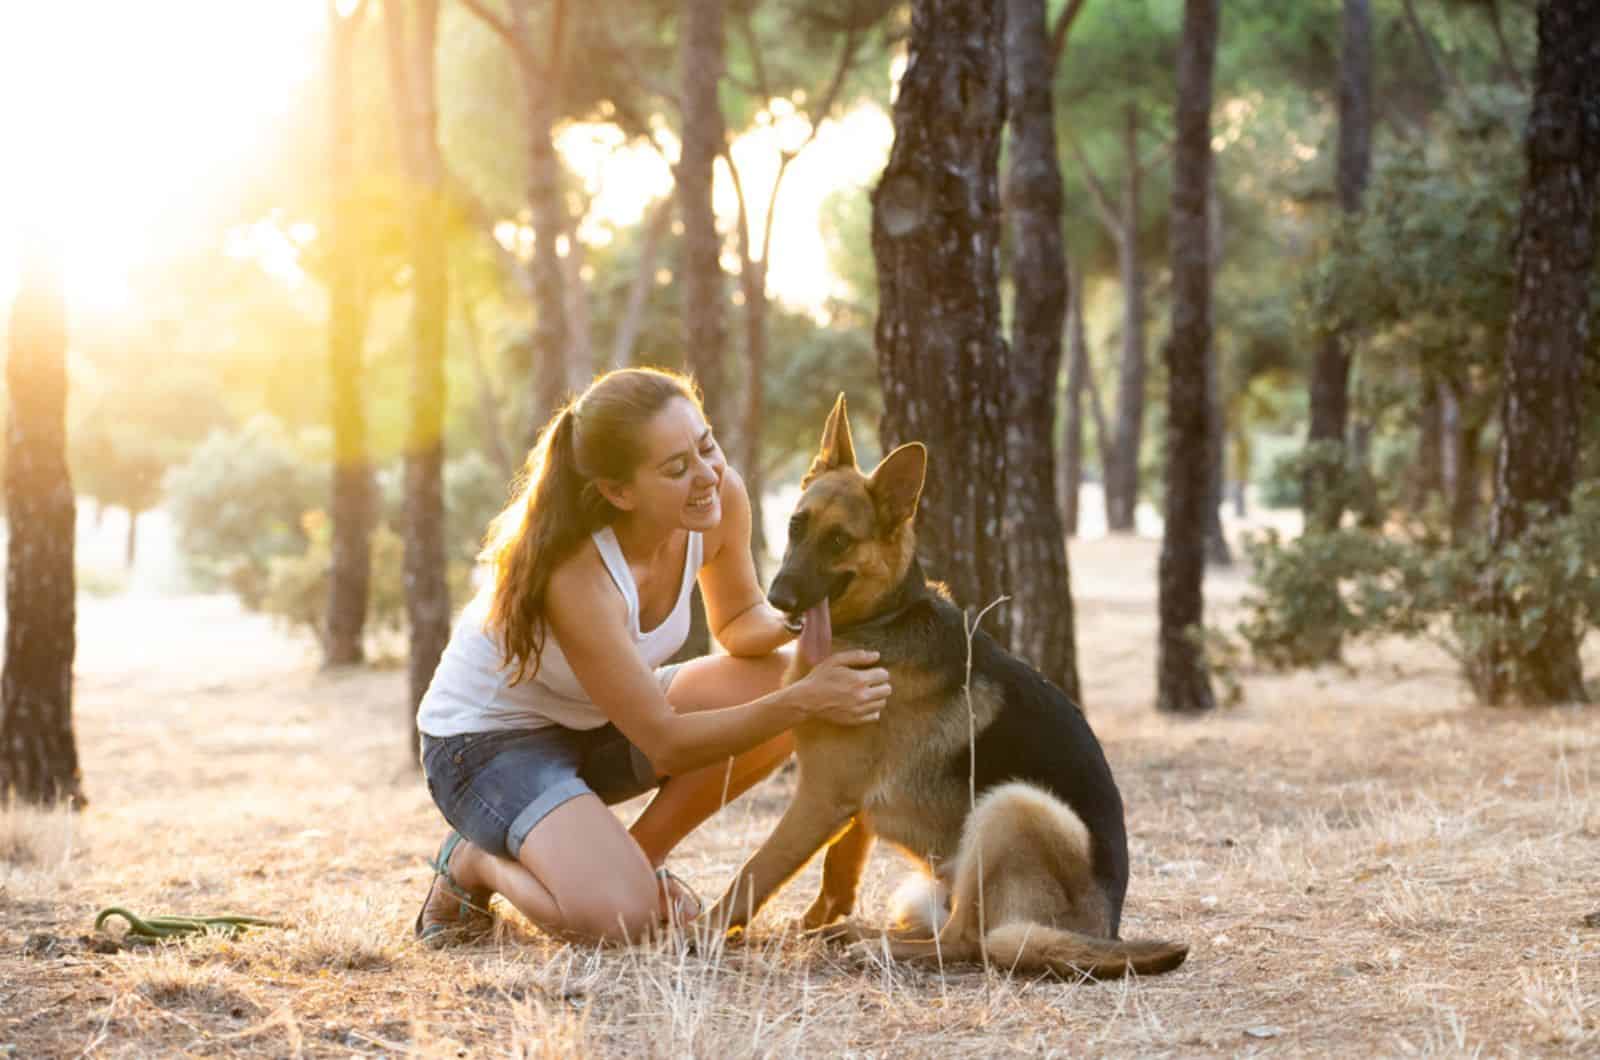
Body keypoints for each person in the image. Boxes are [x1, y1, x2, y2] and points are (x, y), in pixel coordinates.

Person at [413, 367, 891, 946]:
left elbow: (739, 624)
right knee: (624, 923)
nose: (707, 475)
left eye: (706, 444)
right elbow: (665, 741)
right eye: (676, 468)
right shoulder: (577, 575)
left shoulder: (717, 499)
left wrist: (805, 617)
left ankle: (641, 862)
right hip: (485, 747)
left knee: (773, 680)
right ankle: (471, 863)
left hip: (598, 719)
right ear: (619, 492)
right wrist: (806, 699)